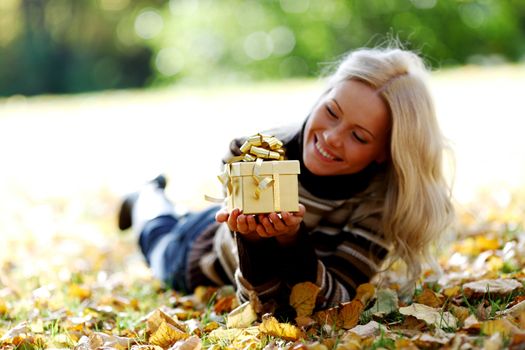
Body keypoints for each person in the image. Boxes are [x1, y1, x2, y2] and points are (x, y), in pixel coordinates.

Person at [118, 46, 454, 310]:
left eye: (359, 136)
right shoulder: (255, 153)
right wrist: (253, 238)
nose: (333, 137)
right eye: (331, 112)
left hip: (239, 235)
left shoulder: (377, 206)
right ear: (320, 97)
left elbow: (337, 301)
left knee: (176, 221)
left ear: (385, 151)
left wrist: (292, 240)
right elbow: (256, 302)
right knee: (156, 233)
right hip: (197, 254)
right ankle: (146, 193)